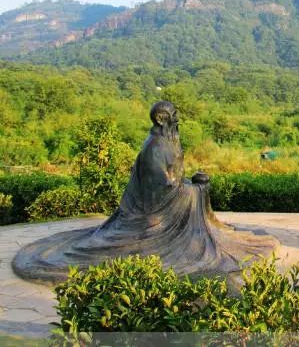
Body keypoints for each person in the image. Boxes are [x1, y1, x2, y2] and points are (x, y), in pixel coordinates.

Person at [14, 101, 277, 282]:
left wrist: (191, 184)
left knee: (199, 186)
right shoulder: (154, 148)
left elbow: (172, 179)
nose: (177, 118)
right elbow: (159, 193)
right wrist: (193, 190)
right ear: (163, 119)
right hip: (149, 215)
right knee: (197, 190)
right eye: (173, 115)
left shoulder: (167, 141)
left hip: (166, 196)